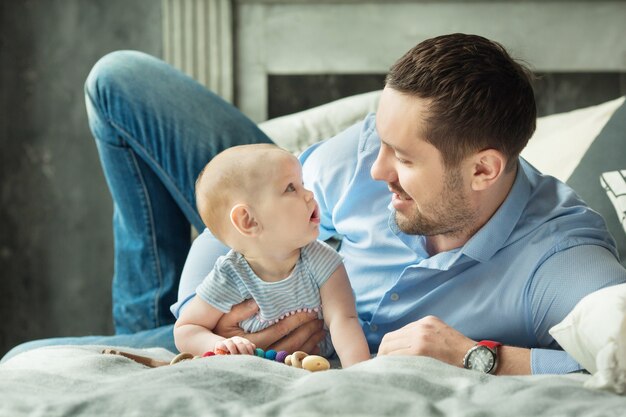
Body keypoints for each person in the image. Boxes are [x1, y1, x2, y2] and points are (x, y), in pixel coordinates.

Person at [3, 33, 625, 374]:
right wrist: (219, 316)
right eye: (379, 142)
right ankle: (151, 332)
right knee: (119, 80)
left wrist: (474, 355)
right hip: (241, 307)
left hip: (302, 351)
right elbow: (239, 223)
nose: (374, 169)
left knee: (25, 362)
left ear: (484, 168)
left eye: (404, 159)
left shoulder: (556, 254)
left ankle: (138, 339)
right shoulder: (366, 156)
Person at [174, 144, 370, 367]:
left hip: (315, 365)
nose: (309, 194)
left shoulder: (322, 260)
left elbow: (343, 320)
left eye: (302, 184)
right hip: (257, 368)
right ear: (249, 221)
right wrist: (221, 345)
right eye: (290, 188)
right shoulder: (230, 276)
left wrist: (358, 373)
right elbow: (186, 329)